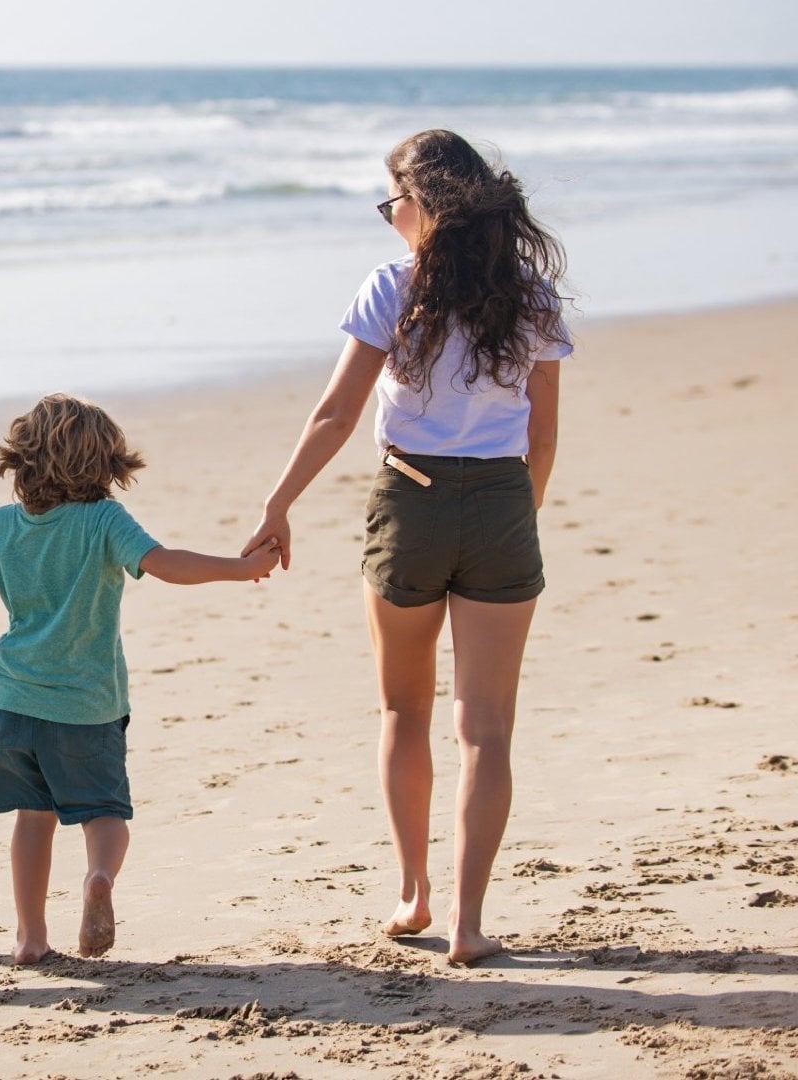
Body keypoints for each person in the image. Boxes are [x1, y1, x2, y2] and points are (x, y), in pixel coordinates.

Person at [243, 129, 571, 965]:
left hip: (410, 498)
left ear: (422, 204)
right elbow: (543, 438)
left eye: (393, 201)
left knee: (404, 710)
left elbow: (335, 415)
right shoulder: (530, 295)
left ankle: (413, 893)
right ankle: (468, 923)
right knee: (487, 726)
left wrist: (278, 503)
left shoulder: (393, 287)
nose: (390, 217)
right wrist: (512, 517)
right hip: (500, 500)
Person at [0, 394, 279, 965]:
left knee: (33, 820)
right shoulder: (103, 521)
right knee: (105, 813)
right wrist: (240, 568)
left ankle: (30, 937)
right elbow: (166, 564)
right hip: (86, 707)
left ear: (20, 460)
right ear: (107, 465)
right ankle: (99, 877)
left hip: (12, 705)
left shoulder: (0, 527)